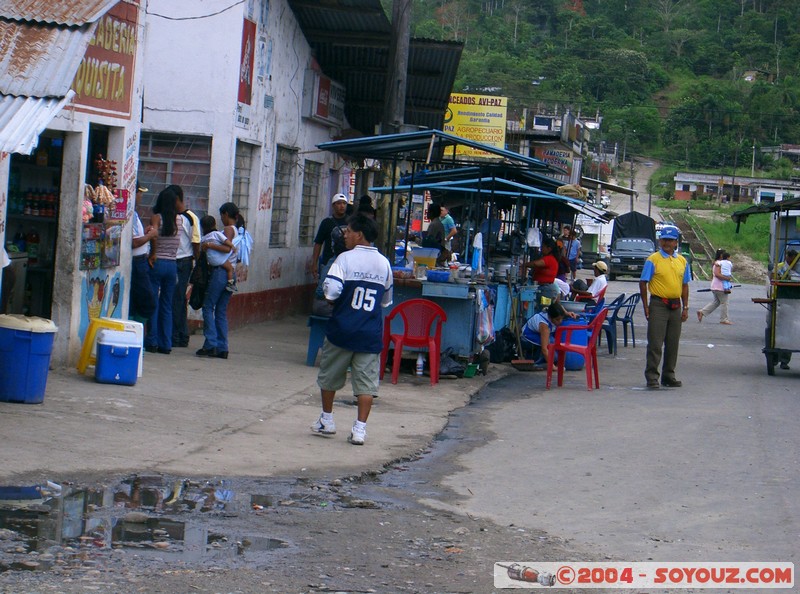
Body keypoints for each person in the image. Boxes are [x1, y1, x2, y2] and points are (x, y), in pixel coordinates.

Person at [310, 213, 393, 446]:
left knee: (329, 377)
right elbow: (386, 300)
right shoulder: (384, 263)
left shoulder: (344, 260)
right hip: (369, 333)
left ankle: (327, 420)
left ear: (360, 234)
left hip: (342, 330)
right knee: (366, 384)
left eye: (348, 231)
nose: (345, 234)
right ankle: (359, 430)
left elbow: (331, 292)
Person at [639, 225, 691, 389]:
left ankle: (669, 375)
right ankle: (652, 377)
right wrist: (646, 306)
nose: (667, 243)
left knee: (673, 343)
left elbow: (685, 286)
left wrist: (686, 307)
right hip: (658, 304)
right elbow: (643, 282)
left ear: (676, 242)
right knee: (655, 342)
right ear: (660, 240)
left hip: (675, 306)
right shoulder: (652, 259)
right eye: (664, 239)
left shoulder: (682, 261)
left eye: (670, 240)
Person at [196, 202, 238, 359]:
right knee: (220, 311)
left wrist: (209, 246)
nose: (221, 218)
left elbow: (227, 248)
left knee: (208, 307)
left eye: (222, 215)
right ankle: (222, 347)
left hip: (220, 272)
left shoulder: (227, 229)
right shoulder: (238, 230)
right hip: (230, 272)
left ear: (226, 214)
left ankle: (210, 344)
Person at [145, 188, 183, 354]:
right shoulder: (179, 220)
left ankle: (152, 341)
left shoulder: (157, 218)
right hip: (172, 264)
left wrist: (153, 253)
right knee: (167, 305)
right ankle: (166, 343)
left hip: (158, 262)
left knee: (153, 303)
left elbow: (153, 235)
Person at [170, 185, 200, 347]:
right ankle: (180, 334)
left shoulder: (190, 217)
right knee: (178, 299)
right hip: (175, 261)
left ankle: (178, 335)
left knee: (178, 299)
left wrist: (197, 265)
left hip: (183, 262)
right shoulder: (173, 217)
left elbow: (196, 243)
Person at [129, 184, 157, 324]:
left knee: (136, 302)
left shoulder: (134, 214)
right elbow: (134, 243)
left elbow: (136, 238)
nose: (141, 196)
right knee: (148, 303)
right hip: (136, 262)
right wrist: (151, 235)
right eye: (140, 193)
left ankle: (134, 331)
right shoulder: (131, 214)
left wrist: (145, 234)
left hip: (141, 261)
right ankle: (134, 328)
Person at [312, 193, 349, 280]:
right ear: (333, 205)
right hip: (329, 261)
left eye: (344, 203)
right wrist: (314, 263)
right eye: (339, 203)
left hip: (347, 262)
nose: (342, 206)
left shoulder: (351, 221)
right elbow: (318, 243)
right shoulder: (326, 222)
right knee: (323, 288)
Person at [697, 248, 733, 325]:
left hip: (715, 286)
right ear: (721, 255)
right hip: (720, 286)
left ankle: (702, 312)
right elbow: (717, 274)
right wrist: (727, 278)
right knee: (724, 302)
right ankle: (724, 319)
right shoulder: (719, 263)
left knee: (716, 302)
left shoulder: (717, 263)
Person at [199, 215, 236, 288]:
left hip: (211, 261)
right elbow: (225, 241)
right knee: (230, 268)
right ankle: (230, 284)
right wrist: (232, 246)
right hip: (219, 260)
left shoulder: (203, 238)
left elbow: (203, 249)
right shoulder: (216, 234)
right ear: (214, 225)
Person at [523, 236, 560, 306]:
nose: (541, 249)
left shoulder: (549, 259)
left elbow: (535, 263)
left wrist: (524, 264)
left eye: (543, 247)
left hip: (546, 290)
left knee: (545, 309)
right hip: (544, 288)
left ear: (549, 249)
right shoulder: (550, 258)